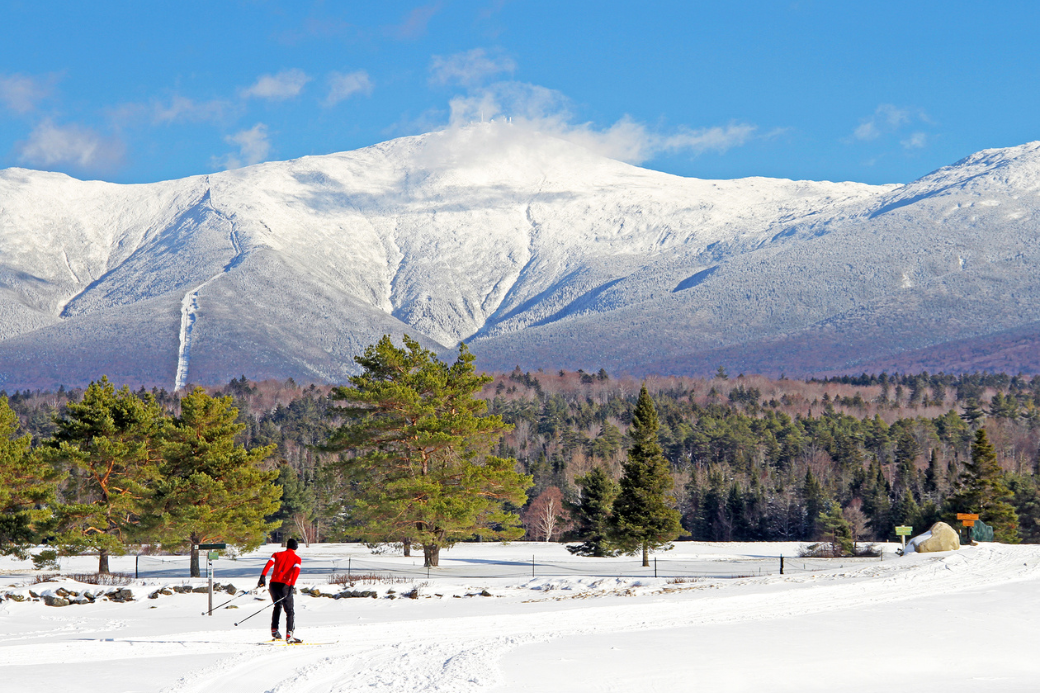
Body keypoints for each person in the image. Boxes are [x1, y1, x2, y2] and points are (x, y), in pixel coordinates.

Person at [258, 537, 302, 643]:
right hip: (285, 586)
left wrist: (262, 576)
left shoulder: (276, 555)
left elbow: (269, 564)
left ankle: (275, 631)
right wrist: (292, 585)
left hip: (273, 585)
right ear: (295, 547)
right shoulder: (297, 559)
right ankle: (289, 635)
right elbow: (296, 572)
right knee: (290, 611)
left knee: (277, 606)